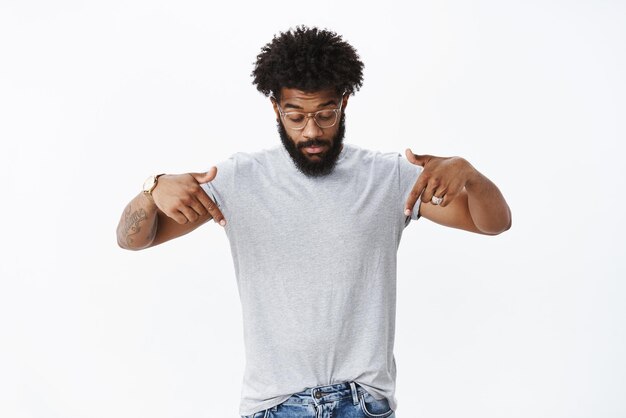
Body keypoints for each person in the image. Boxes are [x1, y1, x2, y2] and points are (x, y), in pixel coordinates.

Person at [116, 26, 511, 418]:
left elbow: (494, 223)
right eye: (296, 116)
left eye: (325, 115)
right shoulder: (239, 179)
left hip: (362, 403)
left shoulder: (388, 178)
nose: (311, 132)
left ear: (344, 102)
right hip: (274, 406)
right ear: (275, 108)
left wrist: (470, 175)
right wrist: (152, 190)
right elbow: (133, 240)